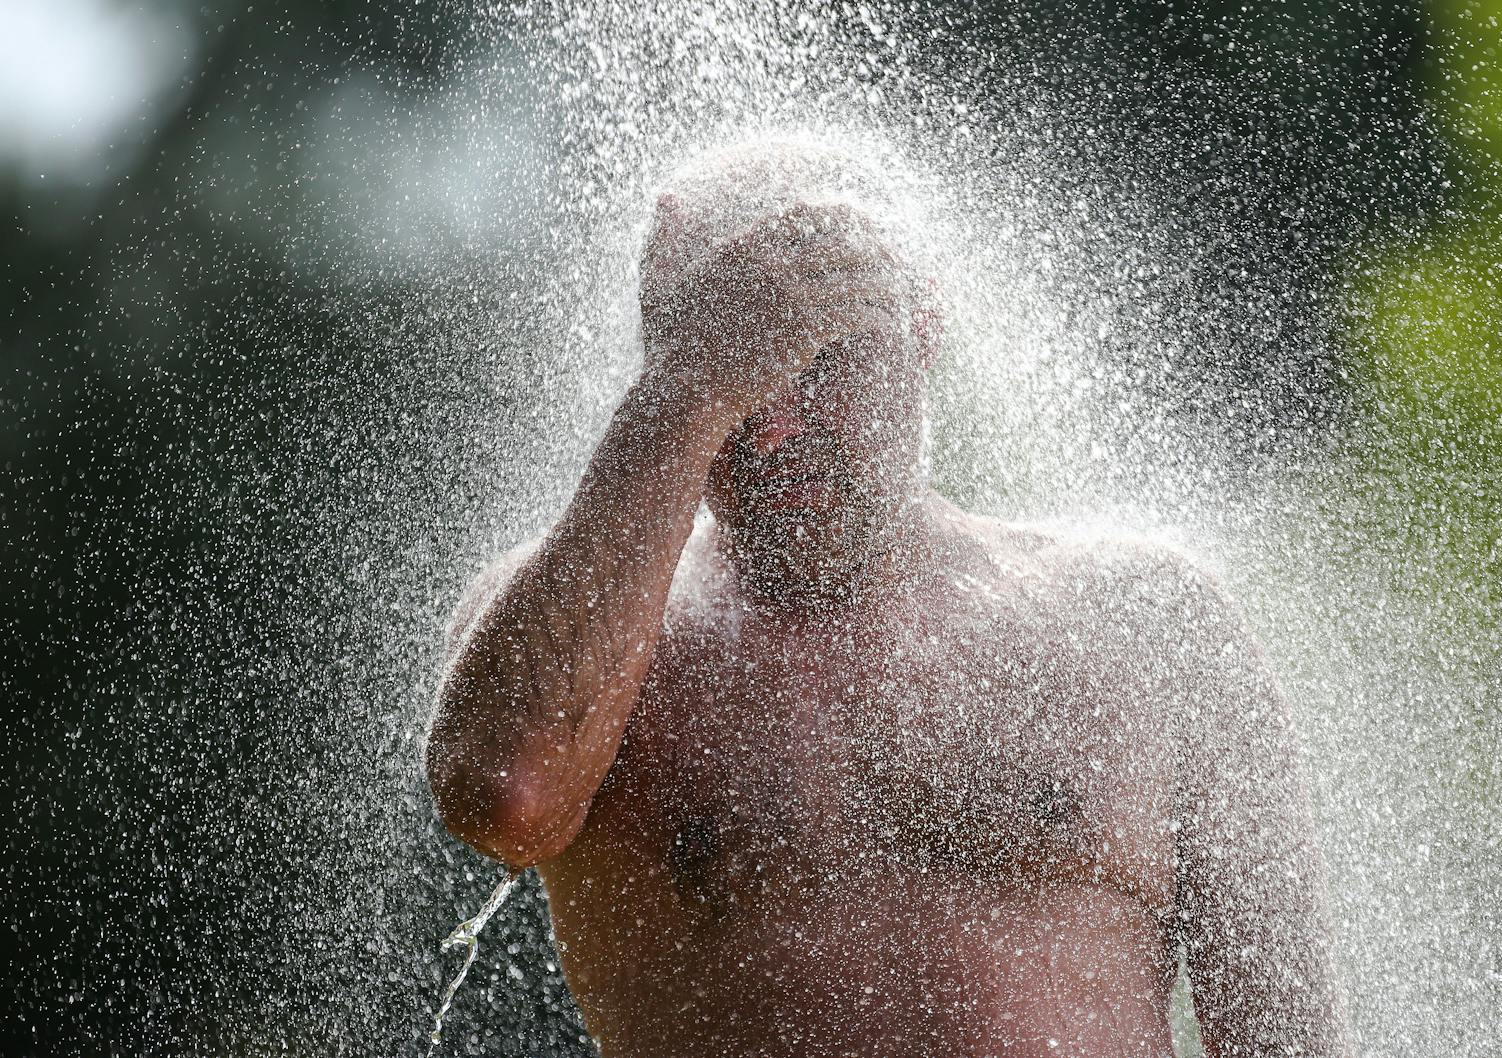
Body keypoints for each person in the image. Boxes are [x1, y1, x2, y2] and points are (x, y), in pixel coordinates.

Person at [424, 139, 1350, 1058]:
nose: (773, 423)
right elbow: (508, 794)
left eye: (823, 353)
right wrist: (685, 393)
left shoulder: (1151, 620)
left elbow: (1289, 1041)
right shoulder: (576, 625)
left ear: (924, 328)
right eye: (727, 358)